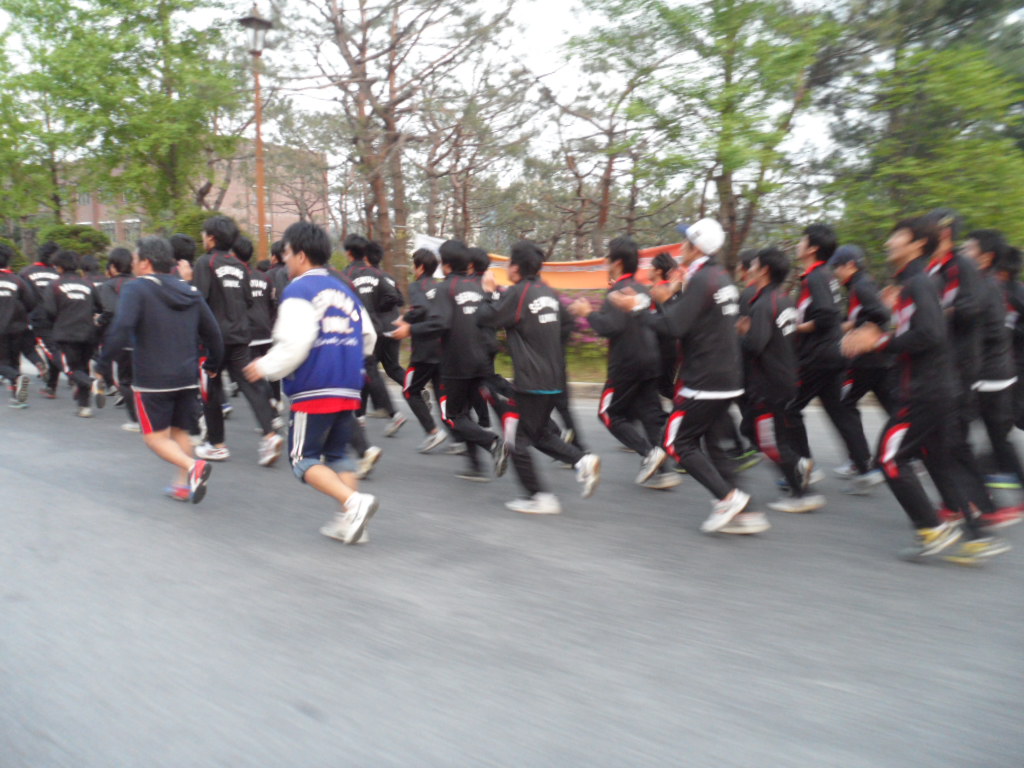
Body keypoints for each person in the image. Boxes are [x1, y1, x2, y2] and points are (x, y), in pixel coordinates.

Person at [842, 216, 1009, 564]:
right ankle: (976, 535)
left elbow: (930, 334)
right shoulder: (917, 282)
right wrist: (886, 327)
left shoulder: (919, 282)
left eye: (897, 235)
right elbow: (926, 329)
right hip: (937, 387)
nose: (889, 242)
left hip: (924, 391)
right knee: (937, 460)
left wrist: (879, 342)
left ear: (917, 243)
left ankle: (932, 530)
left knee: (889, 459)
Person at [612, 219, 754, 533]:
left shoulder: (702, 279)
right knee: (715, 446)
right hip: (727, 376)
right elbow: (692, 320)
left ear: (696, 247)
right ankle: (744, 512)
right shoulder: (722, 277)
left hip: (705, 378)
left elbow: (675, 327)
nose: (682, 247)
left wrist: (637, 307)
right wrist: (663, 300)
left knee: (676, 443)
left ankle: (728, 499)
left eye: (686, 242)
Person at [244, 221, 379, 543]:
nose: (284, 259)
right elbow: (369, 337)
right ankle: (351, 523)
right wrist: (344, 358)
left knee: (301, 460)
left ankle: (353, 502)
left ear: (301, 255)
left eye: (287, 253)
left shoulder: (298, 291)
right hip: (348, 386)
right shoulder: (344, 289)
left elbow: (295, 344)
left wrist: (264, 366)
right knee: (339, 455)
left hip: (314, 388)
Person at [477, 240, 601, 513]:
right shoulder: (548, 292)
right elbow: (568, 322)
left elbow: (486, 317)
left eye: (510, 263)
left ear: (515, 268)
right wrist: (548, 349)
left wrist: (488, 292)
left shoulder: (519, 292)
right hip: (554, 378)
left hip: (531, 381)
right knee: (540, 434)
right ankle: (582, 461)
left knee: (514, 438)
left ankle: (539, 497)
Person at [98, 236, 222, 504]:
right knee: (180, 432)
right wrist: (213, 364)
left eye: (135, 259)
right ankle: (182, 485)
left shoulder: (136, 288)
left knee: (155, 439)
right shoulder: (188, 290)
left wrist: (103, 364)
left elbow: (121, 328)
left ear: (146, 262)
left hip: (152, 378)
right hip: (187, 376)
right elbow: (213, 333)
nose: (133, 264)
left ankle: (193, 467)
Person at [391, 239, 508, 482]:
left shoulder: (447, 288)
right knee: (464, 413)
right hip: (481, 359)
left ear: (445, 265)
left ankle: (493, 442)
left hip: (457, 363)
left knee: (452, 416)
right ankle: (475, 466)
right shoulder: (477, 286)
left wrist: (410, 329)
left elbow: (440, 323)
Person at [569, 236, 667, 488]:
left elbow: (610, 327)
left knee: (608, 413)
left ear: (618, 263)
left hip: (627, 364)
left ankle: (649, 453)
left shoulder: (617, 292)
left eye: (608, 258)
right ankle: (664, 472)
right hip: (651, 360)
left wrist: (587, 313)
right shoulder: (644, 290)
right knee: (650, 415)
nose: (606, 262)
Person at [787, 224, 879, 492]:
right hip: (832, 354)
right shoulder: (824, 276)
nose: (798, 245)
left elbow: (826, 315)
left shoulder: (815, 277)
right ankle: (864, 468)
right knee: (839, 410)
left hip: (817, 356)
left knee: (789, 408)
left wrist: (796, 328)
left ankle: (803, 467)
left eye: (802, 241)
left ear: (812, 248)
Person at [738, 247, 823, 515]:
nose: (750, 269)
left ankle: (801, 491)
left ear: (764, 270)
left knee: (768, 442)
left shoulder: (764, 305)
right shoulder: (784, 299)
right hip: (784, 377)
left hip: (769, 383)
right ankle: (797, 465)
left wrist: (742, 333)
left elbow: (755, 345)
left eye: (754, 265)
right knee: (750, 428)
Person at [192, 215, 283, 466]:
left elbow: (199, 300)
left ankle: (217, 445)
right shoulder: (241, 266)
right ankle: (270, 434)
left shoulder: (205, 262)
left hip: (213, 339)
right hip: (241, 336)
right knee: (251, 386)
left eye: (204, 234)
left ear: (211, 238)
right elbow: (248, 300)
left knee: (210, 388)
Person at [962, 229, 1024, 492]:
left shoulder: (1010, 292)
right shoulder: (987, 287)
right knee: (997, 428)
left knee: (1004, 424)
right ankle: (987, 472)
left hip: (1006, 367)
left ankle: (984, 479)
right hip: (996, 367)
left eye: (968, 249)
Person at [828, 244, 895, 483]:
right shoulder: (860, 284)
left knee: (844, 405)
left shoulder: (861, 285)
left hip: (867, 361)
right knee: (895, 409)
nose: (836, 271)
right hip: (878, 360)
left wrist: (857, 328)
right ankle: (911, 454)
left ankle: (861, 461)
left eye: (838, 266)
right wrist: (848, 323)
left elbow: (881, 315)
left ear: (850, 265)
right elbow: (869, 314)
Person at [341, 233, 406, 436]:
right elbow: (393, 296)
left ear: (349, 253)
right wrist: (375, 309)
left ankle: (387, 414)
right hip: (375, 328)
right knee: (369, 371)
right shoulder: (376, 274)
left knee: (366, 371)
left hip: (354, 330)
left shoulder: (346, 275)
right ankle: (363, 416)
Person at [42, 250, 104, 417]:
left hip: (65, 333)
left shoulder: (54, 285)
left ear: (59, 267)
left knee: (69, 368)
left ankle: (92, 384)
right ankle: (84, 406)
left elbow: (49, 310)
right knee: (83, 367)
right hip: (88, 333)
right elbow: (100, 306)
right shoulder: (88, 284)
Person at [400, 248, 447, 453]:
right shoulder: (440, 287)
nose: (413, 269)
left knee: (409, 391)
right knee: (440, 394)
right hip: (442, 347)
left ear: (420, 267)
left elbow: (420, 309)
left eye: (414, 265)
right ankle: (461, 436)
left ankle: (433, 432)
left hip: (424, 350)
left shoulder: (416, 286)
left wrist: (404, 320)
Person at [96, 247, 139, 430]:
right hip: (144, 337)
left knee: (126, 381)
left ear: (113, 267)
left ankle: (135, 420)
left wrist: (99, 320)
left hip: (123, 338)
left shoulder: (110, 285)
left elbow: (111, 310)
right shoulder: (139, 282)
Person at [19, 241, 62, 397]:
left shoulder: (26, 273)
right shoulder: (59, 274)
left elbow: (21, 297)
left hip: (35, 317)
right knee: (53, 349)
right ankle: (51, 386)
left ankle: (74, 374)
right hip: (56, 318)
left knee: (30, 347)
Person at [0, 242, 34, 407]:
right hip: (17, 326)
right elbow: (30, 302)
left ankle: (17, 378)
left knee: (2, 364)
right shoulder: (18, 280)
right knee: (14, 361)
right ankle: (18, 397)